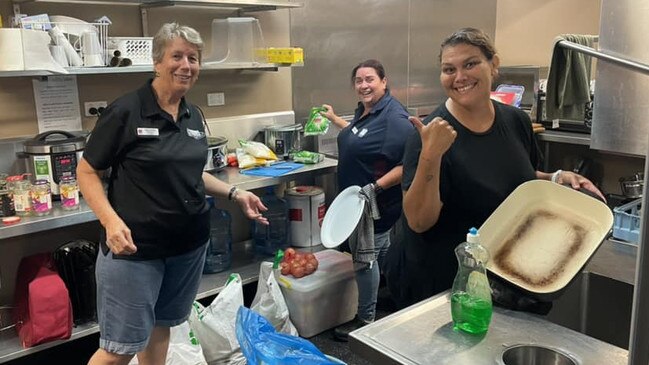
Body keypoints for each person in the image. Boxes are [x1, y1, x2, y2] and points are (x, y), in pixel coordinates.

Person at [77, 23, 268, 365]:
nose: (186, 65)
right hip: (136, 251)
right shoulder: (125, 111)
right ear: (156, 62)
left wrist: (235, 192)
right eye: (176, 56)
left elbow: (193, 172)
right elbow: (87, 171)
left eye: (193, 58)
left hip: (186, 248)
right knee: (118, 349)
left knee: (161, 326)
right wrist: (110, 222)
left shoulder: (193, 114)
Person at [384, 28, 604, 311]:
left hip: (498, 276)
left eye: (471, 63)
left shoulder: (515, 121)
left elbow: (515, 180)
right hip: (441, 286)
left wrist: (555, 178)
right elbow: (418, 220)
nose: (460, 76)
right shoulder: (429, 135)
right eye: (449, 69)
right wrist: (431, 155)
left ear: (494, 65)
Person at [320, 59, 413, 341]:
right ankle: (395, 298)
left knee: (364, 259)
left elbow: (410, 161)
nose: (364, 85)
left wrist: (374, 188)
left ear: (384, 81)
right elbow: (361, 136)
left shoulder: (394, 119)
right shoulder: (368, 110)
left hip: (372, 203)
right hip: (357, 200)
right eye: (359, 81)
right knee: (380, 252)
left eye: (370, 79)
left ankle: (365, 320)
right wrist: (337, 120)